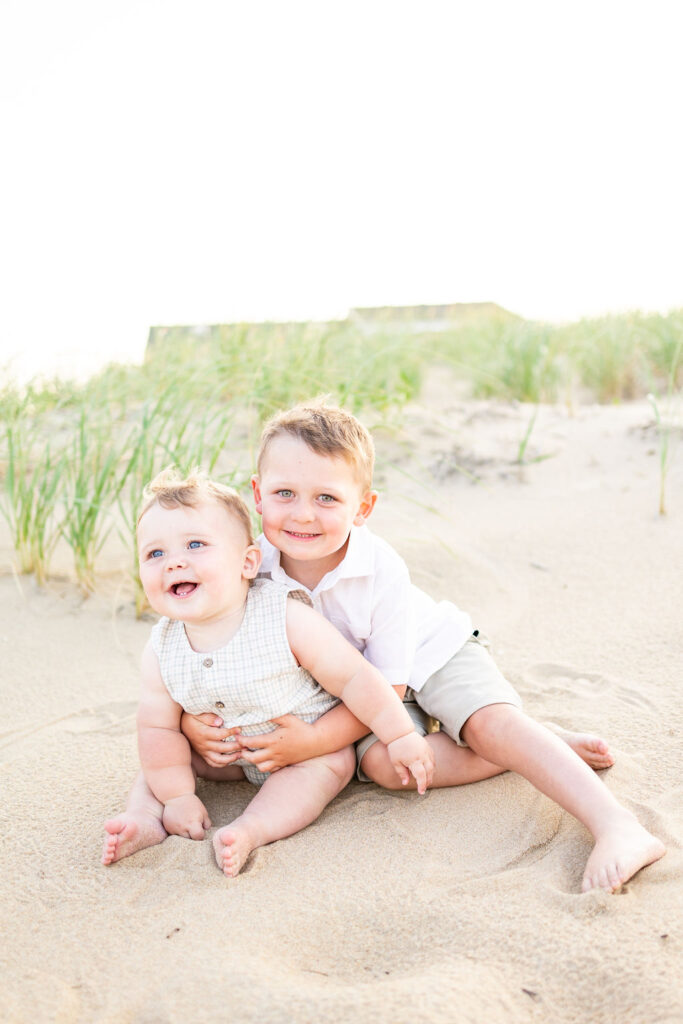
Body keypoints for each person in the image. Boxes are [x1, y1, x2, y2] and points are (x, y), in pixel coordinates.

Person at [183, 400, 665, 893]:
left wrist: (313, 742)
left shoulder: (382, 568)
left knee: (487, 723)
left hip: (430, 654)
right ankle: (534, 747)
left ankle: (615, 825)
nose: (303, 514)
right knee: (387, 767)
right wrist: (191, 726)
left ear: (363, 508)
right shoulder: (249, 566)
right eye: (285, 493)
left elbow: (388, 687)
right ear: (258, 495)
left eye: (327, 498)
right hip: (352, 695)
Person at [102, 469, 435, 878]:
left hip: (308, 749)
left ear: (247, 562)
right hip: (225, 756)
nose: (174, 563)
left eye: (195, 545)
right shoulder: (161, 647)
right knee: (159, 759)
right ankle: (144, 818)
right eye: (155, 554)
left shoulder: (284, 616)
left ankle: (251, 829)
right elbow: (157, 729)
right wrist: (178, 796)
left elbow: (356, 678)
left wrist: (399, 734)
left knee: (321, 771)